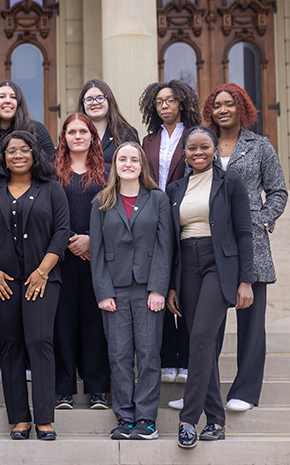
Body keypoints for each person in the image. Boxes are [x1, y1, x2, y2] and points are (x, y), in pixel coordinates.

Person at [0, 130, 69, 441]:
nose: (17, 155)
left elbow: (61, 232)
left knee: (40, 342)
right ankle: (19, 419)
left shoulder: (52, 190)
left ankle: (44, 418)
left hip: (42, 280)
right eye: (11, 150)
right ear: (2, 156)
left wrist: (43, 270)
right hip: (3, 282)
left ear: (34, 154)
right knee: (11, 346)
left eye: (24, 150)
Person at [166, 126, 253, 449]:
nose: (198, 152)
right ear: (184, 152)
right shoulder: (174, 189)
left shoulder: (231, 183)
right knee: (199, 343)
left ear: (215, 149)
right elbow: (171, 243)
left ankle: (189, 418)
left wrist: (245, 280)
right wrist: (172, 286)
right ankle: (216, 420)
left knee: (202, 336)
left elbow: (245, 233)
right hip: (187, 264)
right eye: (192, 148)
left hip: (220, 264)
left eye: (204, 147)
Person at [203, 83, 288, 412]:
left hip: (251, 240)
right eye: (217, 105)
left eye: (229, 104)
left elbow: (278, 191)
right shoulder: (203, 143)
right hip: (210, 242)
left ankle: (245, 392)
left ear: (242, 108)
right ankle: (204, 385)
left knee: (251, 321)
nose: (222, 110)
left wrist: (264, 220)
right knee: (209, 320)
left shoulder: (260, 146)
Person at [89, 142, 173, 440]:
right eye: (122, 159)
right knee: (119, 355)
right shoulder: (101, 201)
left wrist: (158, 289)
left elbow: (165, 248)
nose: (127, 163)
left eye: (133, 159)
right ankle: (124, 418)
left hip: (148, 289)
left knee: (149, 354)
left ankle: (146, 421)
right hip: (114, 290)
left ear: (141, 165)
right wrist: (103, 292)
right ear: (114, 165)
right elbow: (96, 252)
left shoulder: (158, 199)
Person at [0, 80, 55, 382]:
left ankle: (33, 363)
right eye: (0, 96)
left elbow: (50, 171)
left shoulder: (37, 131)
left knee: (33, 296)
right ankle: (1, 360)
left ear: (20, 101)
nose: (6, 101)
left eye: (12, 96)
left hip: (33, 222)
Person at [139, 79, 202, 390]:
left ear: (182, 103)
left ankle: (188, 359)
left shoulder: (194, 136)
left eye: (170, 101)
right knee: (160, 284)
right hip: (154, 216)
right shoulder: (148, 140)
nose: (164, 106)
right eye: (160, 102)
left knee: (186, 288)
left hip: (186, 214)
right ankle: (167, 359)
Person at [53, 113, 111, 411]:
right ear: (63, 137)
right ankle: (63, 390)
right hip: (60, 259)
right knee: (62, 324)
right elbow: (46, 214)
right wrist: (67, 240)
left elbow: (114, 214)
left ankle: (97, 389)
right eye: (71, 131)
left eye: (83, 131)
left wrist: (91, 239)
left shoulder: (108, 172)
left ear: (92, 136)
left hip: (97, 259)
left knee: (95, 324)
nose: (77, 136)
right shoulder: (51, 173)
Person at [76, 79, 139, 164]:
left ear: (109, 100)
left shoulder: (127, 134)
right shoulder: (74, 136)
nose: (94, 102)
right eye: (89, 99)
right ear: (82, 104)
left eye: (100, 98)